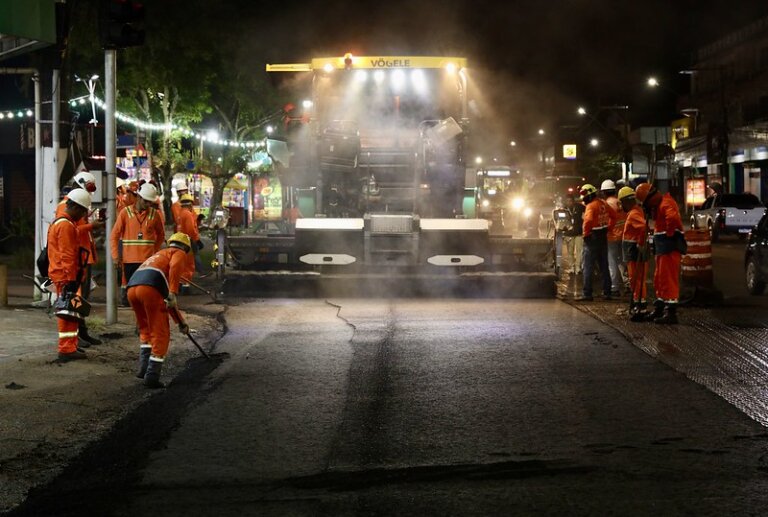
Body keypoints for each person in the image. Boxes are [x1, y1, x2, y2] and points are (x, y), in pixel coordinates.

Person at [126, 233, 192, 388]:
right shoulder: (178, 253)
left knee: (146, 329)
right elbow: (175, 268)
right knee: (160, 332)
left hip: (132, 289)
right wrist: (174, 291)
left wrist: (181, 322)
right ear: (185, 247)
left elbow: (167, 304)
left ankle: (143, 370)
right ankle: (152, 376)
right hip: (149, 289)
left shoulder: (159, 255)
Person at [55, 171, 104, 346]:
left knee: (79, 300)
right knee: (74, 301)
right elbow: (70, 238)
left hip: (81, 259)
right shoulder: (66, 208)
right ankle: (76, 337)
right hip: (74, 263)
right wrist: (91, 226)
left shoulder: (75, 206)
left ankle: (79, 335)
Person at [47, 189, 92, 361]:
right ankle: (66, 349)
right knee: (68, 311)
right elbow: (67, 255)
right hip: (66, 276)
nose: (82, 215)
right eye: (81, 211)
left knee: (71, 311)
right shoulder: (65, 225)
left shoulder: (61, 222)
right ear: (75, 207)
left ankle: (70, 346)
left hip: (64, 275)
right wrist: (71, 279)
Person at [635, 182, 685, 324]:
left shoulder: (666, 203)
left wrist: (669, 233)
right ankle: (660, 307)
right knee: (660, 278)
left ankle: (671, 312)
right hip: (663, 248)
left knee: (668, 278)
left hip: (669, 247)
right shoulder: (660, 205)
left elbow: (673, 219)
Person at [110, 183, 165, 306]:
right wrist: (115, 257)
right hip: (130, 261)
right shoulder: (125, 213)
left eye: (150, 202)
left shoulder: (154, 215)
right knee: (132, 291)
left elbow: (161, 235)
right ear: (139, 197)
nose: (148, 205)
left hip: (147, 261)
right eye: (146, 201)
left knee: (145, 291)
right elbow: (114, 236)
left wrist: (154, 251)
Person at [578, 183, 616, 301]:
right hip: (602, 236)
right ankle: (607, 292)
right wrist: (608, 228)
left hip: (592, 237)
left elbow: (588, 221)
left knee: (588, 266)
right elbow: (614, 216)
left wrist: (585, 234)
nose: (583, 198)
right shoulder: (603, 203)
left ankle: (587, 293)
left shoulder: (591, 206)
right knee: (604, 266)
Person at [619, 186, 650, 322]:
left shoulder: (634, 213)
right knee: (637, 280)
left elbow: (643, 227)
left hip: (634, 252)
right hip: (634, 251)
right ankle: (639, 304)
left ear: (626, 201)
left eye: (621, 202)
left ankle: (640, 306)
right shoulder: (636, 211)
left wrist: (640, 243)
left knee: (636, 280)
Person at [601, 179, 628, 296]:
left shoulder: (607, 204)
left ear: (604, 192)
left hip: (612, 237)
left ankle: (614, 287)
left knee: (612, 263)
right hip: (623, 236)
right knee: (622, 262)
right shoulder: (620, 202)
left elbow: (606, 221)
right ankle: (628, 285)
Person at [176, 193, 200, 291]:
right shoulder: (188, 214)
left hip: (180, 241)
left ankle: (180, 283)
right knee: (189, 265)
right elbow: (191, 230)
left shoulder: (180, 214)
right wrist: (197, 240)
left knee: (182, 264)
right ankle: (186, 286)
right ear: (190, 204)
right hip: (187, 242)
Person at [562, 194, 584, 275]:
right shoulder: (563, 210)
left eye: (570, 201)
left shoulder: (580, 207)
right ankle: (571, 267)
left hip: (579, 233)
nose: (569, 203)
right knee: (570, 251)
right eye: (567, 201)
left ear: (573, 201)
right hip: (569, 233)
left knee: (579, 251)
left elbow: (585, 217)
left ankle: (578, 267)